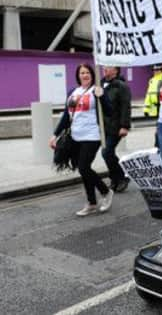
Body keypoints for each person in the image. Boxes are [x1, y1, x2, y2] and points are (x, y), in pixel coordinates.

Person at [49, 64, 113, 216]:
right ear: (78, 75)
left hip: (92, 135)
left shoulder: (96, 90)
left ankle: (106, 192)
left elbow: (110, 111)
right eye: (82, 73)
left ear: (92, 74)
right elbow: (67, 115)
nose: (84, 75)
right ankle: (91, 203)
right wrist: (55, 134)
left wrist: (102, 96)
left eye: (87, 72)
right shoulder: (73, 92)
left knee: (84, 167)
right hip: (75, 135)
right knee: (83, 169)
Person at [100, 66, 132, 192]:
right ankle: (115, 178)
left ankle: (122, 176)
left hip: (116, 126)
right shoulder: (100, 84)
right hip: (103, 126)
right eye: (105, 66)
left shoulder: (121, 86)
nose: (105, 69)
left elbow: (126, 106)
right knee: (108, 153)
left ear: (116, 70)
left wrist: (124, 126)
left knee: (106, 152)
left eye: (109, 67)